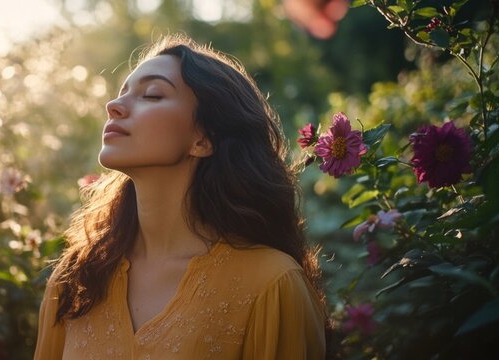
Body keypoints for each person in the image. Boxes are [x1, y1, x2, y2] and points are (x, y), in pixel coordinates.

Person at [34, 34, 327, 359]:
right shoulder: (77, 280)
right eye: (122, 93)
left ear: (203, 139)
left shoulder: (272, 284)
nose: (113, 106)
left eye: (152, 95)